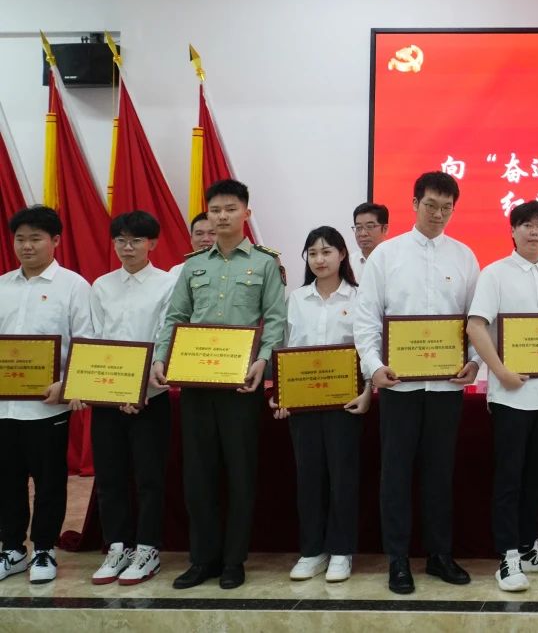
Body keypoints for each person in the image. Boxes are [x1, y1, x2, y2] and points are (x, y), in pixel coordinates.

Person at [151, 179, 287, 591]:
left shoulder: (265, 263)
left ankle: (233, 560)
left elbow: (275, 320)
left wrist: (262, 362)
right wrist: (160, 359)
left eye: (230, 209)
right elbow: (175, 317)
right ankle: (203, 559)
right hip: (195, 384)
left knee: (241, 474)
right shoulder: (193, 265)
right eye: (215, 210)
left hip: (240, 385)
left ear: (246, 213)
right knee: (198, 475)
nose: (222, 216)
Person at [352, 173, 479, 594]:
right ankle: (398, 559)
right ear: (414, 203)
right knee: (396, 474)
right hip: (399, 385)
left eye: (446, 208)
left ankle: (439, 555)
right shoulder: (386, 256)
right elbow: (366, 318)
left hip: (446, 386)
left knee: (440, 473)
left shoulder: (464, 257)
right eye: (430, 205)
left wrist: (475, 361)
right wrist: (373, 367)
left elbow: (476, 321)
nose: (438, 214)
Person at [467, 200, 538, 592]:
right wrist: (500, 372)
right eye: (526, 225)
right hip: (511, 397)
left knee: (537, 477)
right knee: (509, 477)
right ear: (512, 230)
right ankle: (508, 557)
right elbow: (476, 326)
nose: (534, 232)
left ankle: (531, 549)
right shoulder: (494, 274)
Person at [74, 211, 176, 586]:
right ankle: (117, 546)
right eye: (120, 240)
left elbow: (165, 336)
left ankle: (147, 548)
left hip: (150, 399)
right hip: (107, 398)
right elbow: (93, 338)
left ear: (152, 243)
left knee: (149, 477)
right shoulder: (101, 286)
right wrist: (97, 388)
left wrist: (138, 390)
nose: (127, 247)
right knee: (110, 476)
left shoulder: (167, 284)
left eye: (135, 240)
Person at [0, 206, 93, 584]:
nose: (26, 246)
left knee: (50, 481)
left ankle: (43, 549)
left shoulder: (73, 286)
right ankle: (11, 549)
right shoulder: (3, 285)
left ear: (55, 240)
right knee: (6, 481)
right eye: (20, 239)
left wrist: (67, 382)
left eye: (35, 239)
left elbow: (86, 341)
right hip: (4, 406)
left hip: (47, 406)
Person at [272, 226, 368, 583]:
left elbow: (369, 348)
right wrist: (281, 394)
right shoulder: (296, 299)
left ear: (342, 254)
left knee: (343, 477)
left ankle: (342, 551)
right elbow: (284, 348)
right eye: (312, 253)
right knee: (309, 477)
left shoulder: (359, 297)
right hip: (304, 405)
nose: (319, 259)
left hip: (345, 403)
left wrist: (368, 391)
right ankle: (312, 550)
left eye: (327, 251)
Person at [351, 202, 389, 281]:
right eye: (358, 227)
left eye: (369, 226)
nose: (363, 234)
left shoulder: (396, 261)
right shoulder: (348, 264)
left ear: (385, 229)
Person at [170, 213, 216, 277]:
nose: (206, 239)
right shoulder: (177, 271)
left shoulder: (230, 268)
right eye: (199, 234)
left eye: (212, 233)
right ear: (191, 239)